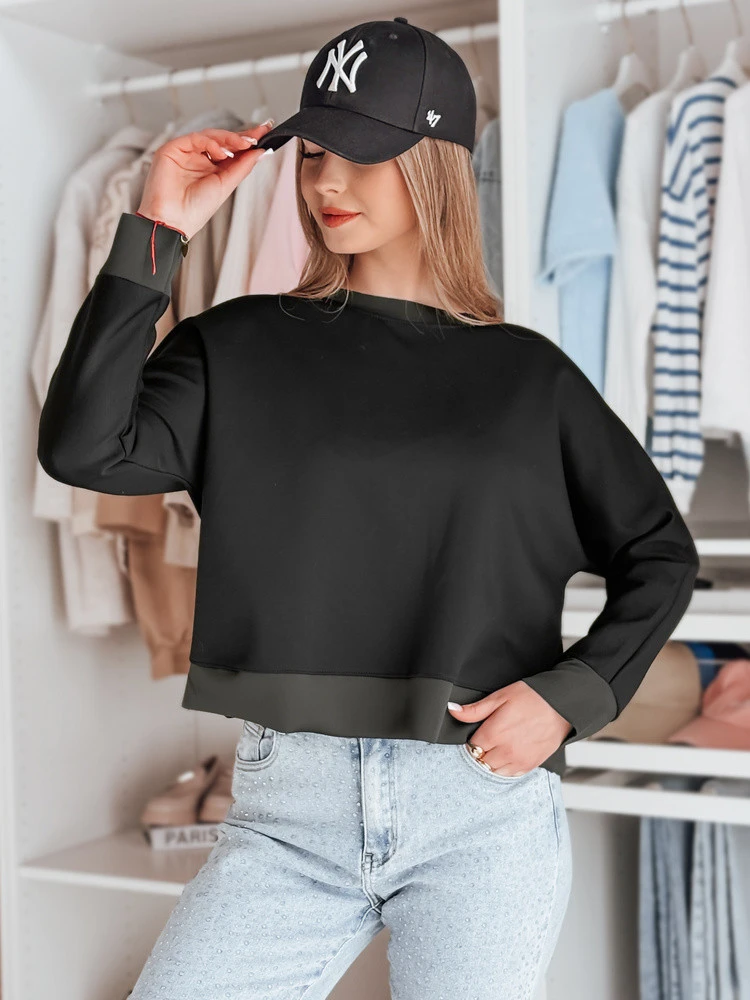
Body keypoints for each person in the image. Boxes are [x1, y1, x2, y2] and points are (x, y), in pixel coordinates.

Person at [36, 17, 700, 1000]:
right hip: (285, 813)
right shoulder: (239, 344)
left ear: (435, 164)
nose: (326, 181)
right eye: (312, 152)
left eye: (363, 153)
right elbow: (83, 448)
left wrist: (573, 697)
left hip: (478, 803)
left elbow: (660, 553)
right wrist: (158, 231)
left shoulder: (529, 379)